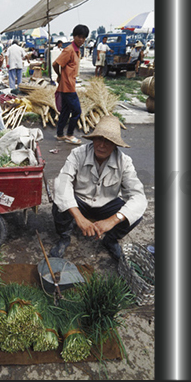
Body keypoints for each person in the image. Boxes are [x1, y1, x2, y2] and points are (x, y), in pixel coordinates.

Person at [50, 115, 147, 259]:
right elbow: (62, 183)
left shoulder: (124, 162)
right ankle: (64, 238)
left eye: (108, 141)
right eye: (99, 139)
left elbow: (139, 197)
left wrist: (113, 220)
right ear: (93, 139)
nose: (102, 145)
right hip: (81, 202)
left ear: (115, 144)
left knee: (135, 213)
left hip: (106, 205)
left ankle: (111, 239)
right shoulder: (78, 154)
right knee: (59, 204)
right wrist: (79, 217)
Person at [52, 24, 89, 145]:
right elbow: (55, 64)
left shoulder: (77, 50)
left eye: (84, 37)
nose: (81, 40)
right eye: (79, 36)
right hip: (68, 87)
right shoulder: (69, 50)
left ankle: (60, 134)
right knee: (77, 111)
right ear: (74, 36)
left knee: (65, 112)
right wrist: (59, 75)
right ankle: (69, 134)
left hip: (68, 85)